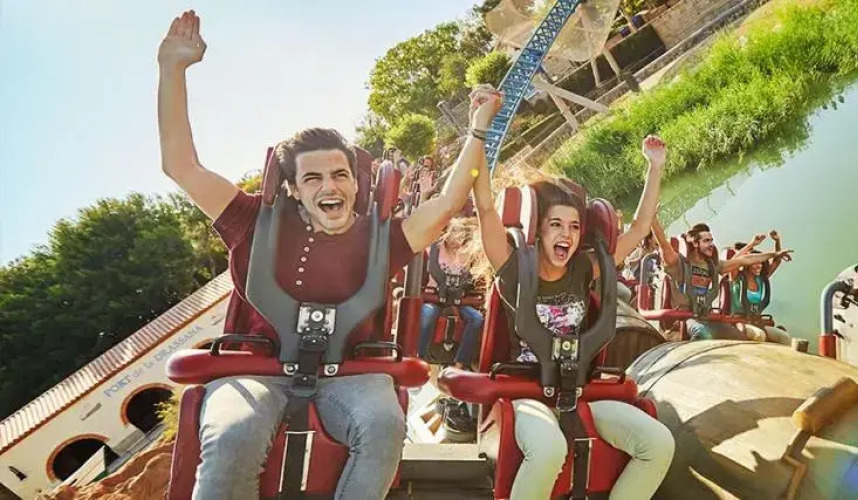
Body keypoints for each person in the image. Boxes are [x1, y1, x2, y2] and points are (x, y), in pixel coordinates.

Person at [156, 10, 501, 498]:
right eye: (313, 178)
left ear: (355, 183)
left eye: (339, 175)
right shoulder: (254, 220)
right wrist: (172, 68)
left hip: (349, 375)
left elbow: (445, 204)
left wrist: (478, 129)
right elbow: (181, 165)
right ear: (294, 189)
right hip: (259, 371)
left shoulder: (380, 238)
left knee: (383, 424)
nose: (329, 187)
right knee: (234, 433)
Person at [471, 135, 676, 499]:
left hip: (578, 390)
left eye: (574, 226)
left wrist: (655, 166)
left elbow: (640, 227)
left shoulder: (583, 270)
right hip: (526, 394)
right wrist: (479, 132)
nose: (566, 234)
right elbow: (486, 208)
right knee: (549, 448)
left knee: (658, 443)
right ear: (538, 230)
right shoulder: (515, 268)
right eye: (555, 225)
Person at [650, 221, 792, 341]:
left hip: (705, 318)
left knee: (739, 337)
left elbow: (744, 260)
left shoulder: (714, 266)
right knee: (702, 333)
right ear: (695, 243)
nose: (711, 244)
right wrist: (653, 220)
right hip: (684, 320)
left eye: (711, 240)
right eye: (706, 241)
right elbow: (663, 245)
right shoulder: (678, 263)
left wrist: (774, 254)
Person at [418, 217, 484, 369]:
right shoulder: (434, 249)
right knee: (427, 315)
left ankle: (461, 363)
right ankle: (420, 358)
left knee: (476, 319)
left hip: (459, 300)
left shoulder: (467, 254)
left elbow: (472, 279)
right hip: (435, 299)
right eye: (455, 234)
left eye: (461, 235)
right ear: (447, 234)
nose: (458, 239)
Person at [726, 230, 792, 344]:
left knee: (785, 337)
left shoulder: (761, 279)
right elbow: (733, 262)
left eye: (761, 262)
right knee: (759, 335)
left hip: (757, 322)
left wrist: (777, 241)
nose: (759, 265)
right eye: (755, 262)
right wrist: (751, 244)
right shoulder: (736, 277)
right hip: (738, 322)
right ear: (747, 263)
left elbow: (776, 261)